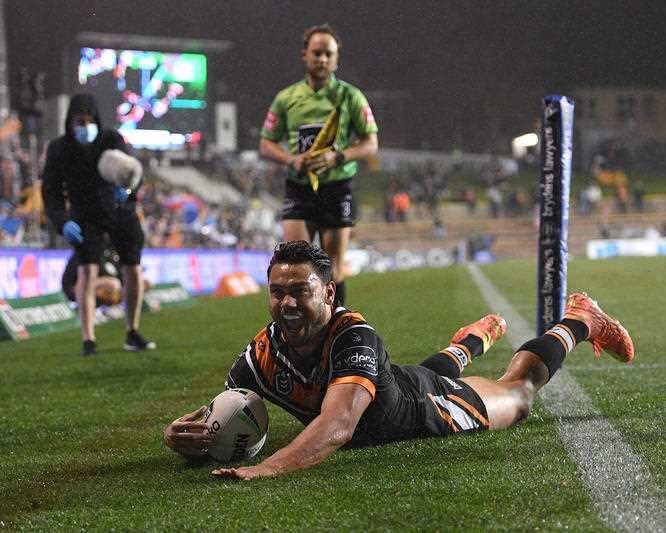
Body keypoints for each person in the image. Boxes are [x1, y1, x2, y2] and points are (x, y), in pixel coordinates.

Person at [164, 241, 635, 480]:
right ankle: (469, 341)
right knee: (419, 372)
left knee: (519, 394)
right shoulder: (259, 358)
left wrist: (267, 468)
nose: (286, 304)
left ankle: (581, 321)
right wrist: (183, 435)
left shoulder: (354, 336)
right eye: (277, 292)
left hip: (425, 406)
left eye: (300, 292)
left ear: (328, 293)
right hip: (394, 383)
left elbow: (338, 427)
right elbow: (219, 413)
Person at [259, 24, 379, 307]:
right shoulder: (286, 98)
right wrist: (291, 159)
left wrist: (337, 157)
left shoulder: (351, 97)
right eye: (317, 52)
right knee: (294, 264)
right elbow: (266, 143)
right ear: (305, 55)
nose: (322, 59)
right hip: (299, 187)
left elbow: (370, 144)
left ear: (337, 59)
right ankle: (299, 338)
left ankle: (339, 332)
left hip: (336, 188)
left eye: (329, 54)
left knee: (333, 269)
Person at [42, 93, 155, 355]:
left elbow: (132, 172)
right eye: (79, 121)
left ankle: (132, 331)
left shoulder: (110, 139)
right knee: (87, 272)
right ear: (70, 122)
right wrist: (62, 222)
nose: (85, 126)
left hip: (118, 209)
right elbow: (51, 191)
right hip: (84, 214)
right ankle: (88, 339)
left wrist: (127, 191)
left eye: (89, 120)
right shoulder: (59, 149)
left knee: (133, 268)